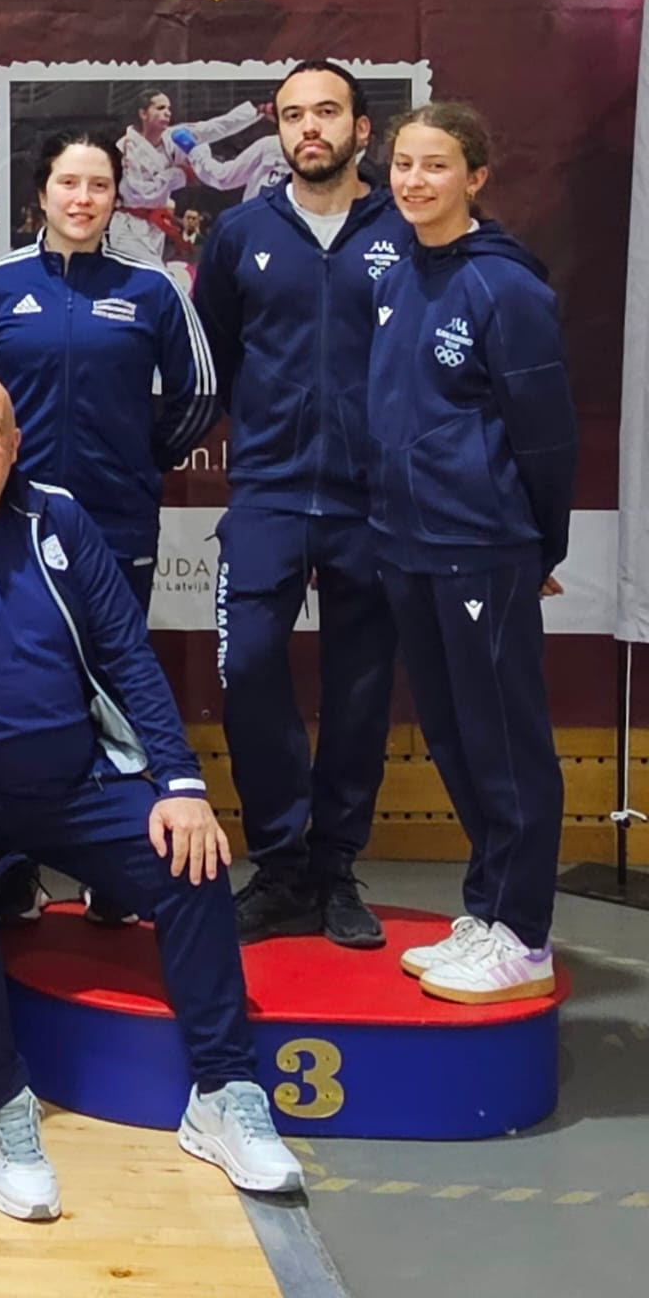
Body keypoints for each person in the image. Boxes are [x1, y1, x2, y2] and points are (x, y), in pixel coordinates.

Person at [0, 371, 304, 1218]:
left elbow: (127, 655)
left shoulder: (59, 519)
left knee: (193, 862)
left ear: (15, 441)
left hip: (77, 784)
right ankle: (2, 1102)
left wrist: (179, 781)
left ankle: (223, 1092)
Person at [197, 61, 414, 948]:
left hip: (377, 500)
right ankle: (282, 867)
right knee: (249, 668)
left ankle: (335, 870)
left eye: (326, 112)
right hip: (270, 491)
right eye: (293, 115)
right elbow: (216, 356)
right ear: (279, 131)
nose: (308, 128)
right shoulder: (240, 232)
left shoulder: (404, 229)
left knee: (361, 689)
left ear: (362, 128)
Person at [369, 104, 576, 1004]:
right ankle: (489, 911)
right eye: (403, 165)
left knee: (505, 742)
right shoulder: (397, 274)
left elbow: (547, 436)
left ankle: (525, 936)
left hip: (483, 544)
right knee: (454, 737)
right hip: (407, 544)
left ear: (476, 178)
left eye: (437, 165)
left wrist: (537, 545)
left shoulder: (506, 287)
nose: (415, 181)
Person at [0, 129, 216, 610]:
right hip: (6, 516)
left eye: (99, 186)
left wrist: (141, 456)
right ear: (42, 193)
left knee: (116, 654)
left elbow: (199, 394)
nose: (83, 199)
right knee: (13, 654)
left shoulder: (152, 287)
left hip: (117, 521)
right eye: (68, 183)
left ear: (116, 198)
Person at [110, 88, 274, 282]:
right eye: (160, 108)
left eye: (169, 108)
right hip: (129, 226)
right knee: (140, 279)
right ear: (143, 113)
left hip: (157, 226)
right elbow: (143, 193)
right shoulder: (126, 147)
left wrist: (257, 111)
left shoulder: (172, 137)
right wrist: (181, 175)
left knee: (151, 280)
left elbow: (215, 127)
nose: (167, 113)